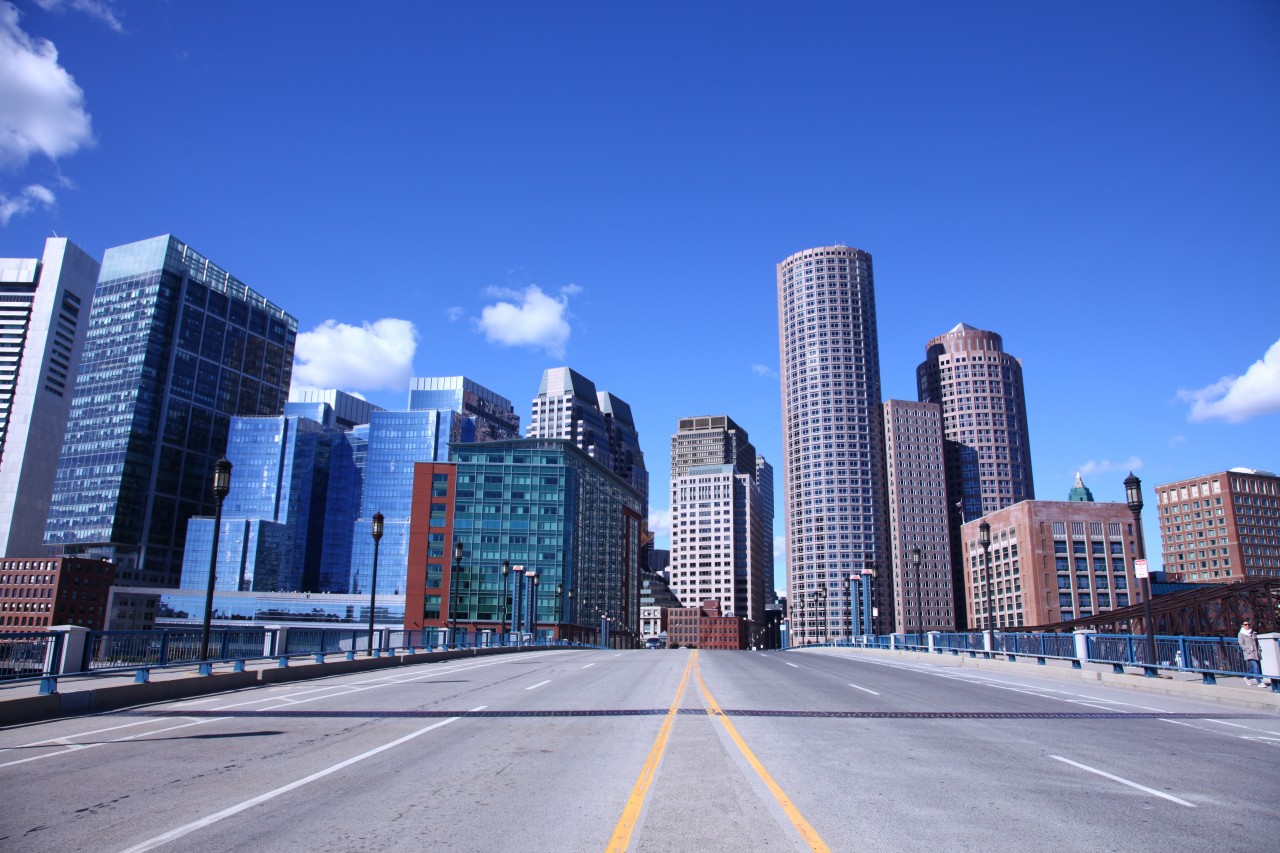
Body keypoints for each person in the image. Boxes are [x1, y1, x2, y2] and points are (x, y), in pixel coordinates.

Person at [1238, 620, 1264, 687]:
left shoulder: (1252, 632)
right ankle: (1259, 682)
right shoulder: (1241, 634)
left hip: (1256, 652)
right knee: (1255, 666)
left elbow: (1256, 642)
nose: (1247, 626)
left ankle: (1246, 677)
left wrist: (1259, 649)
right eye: (1245, 624)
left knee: (1255, 667)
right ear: (1242, 625)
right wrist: (1248, 650)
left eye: (1248, 624)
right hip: (1249, 653)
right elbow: (1241, 643)